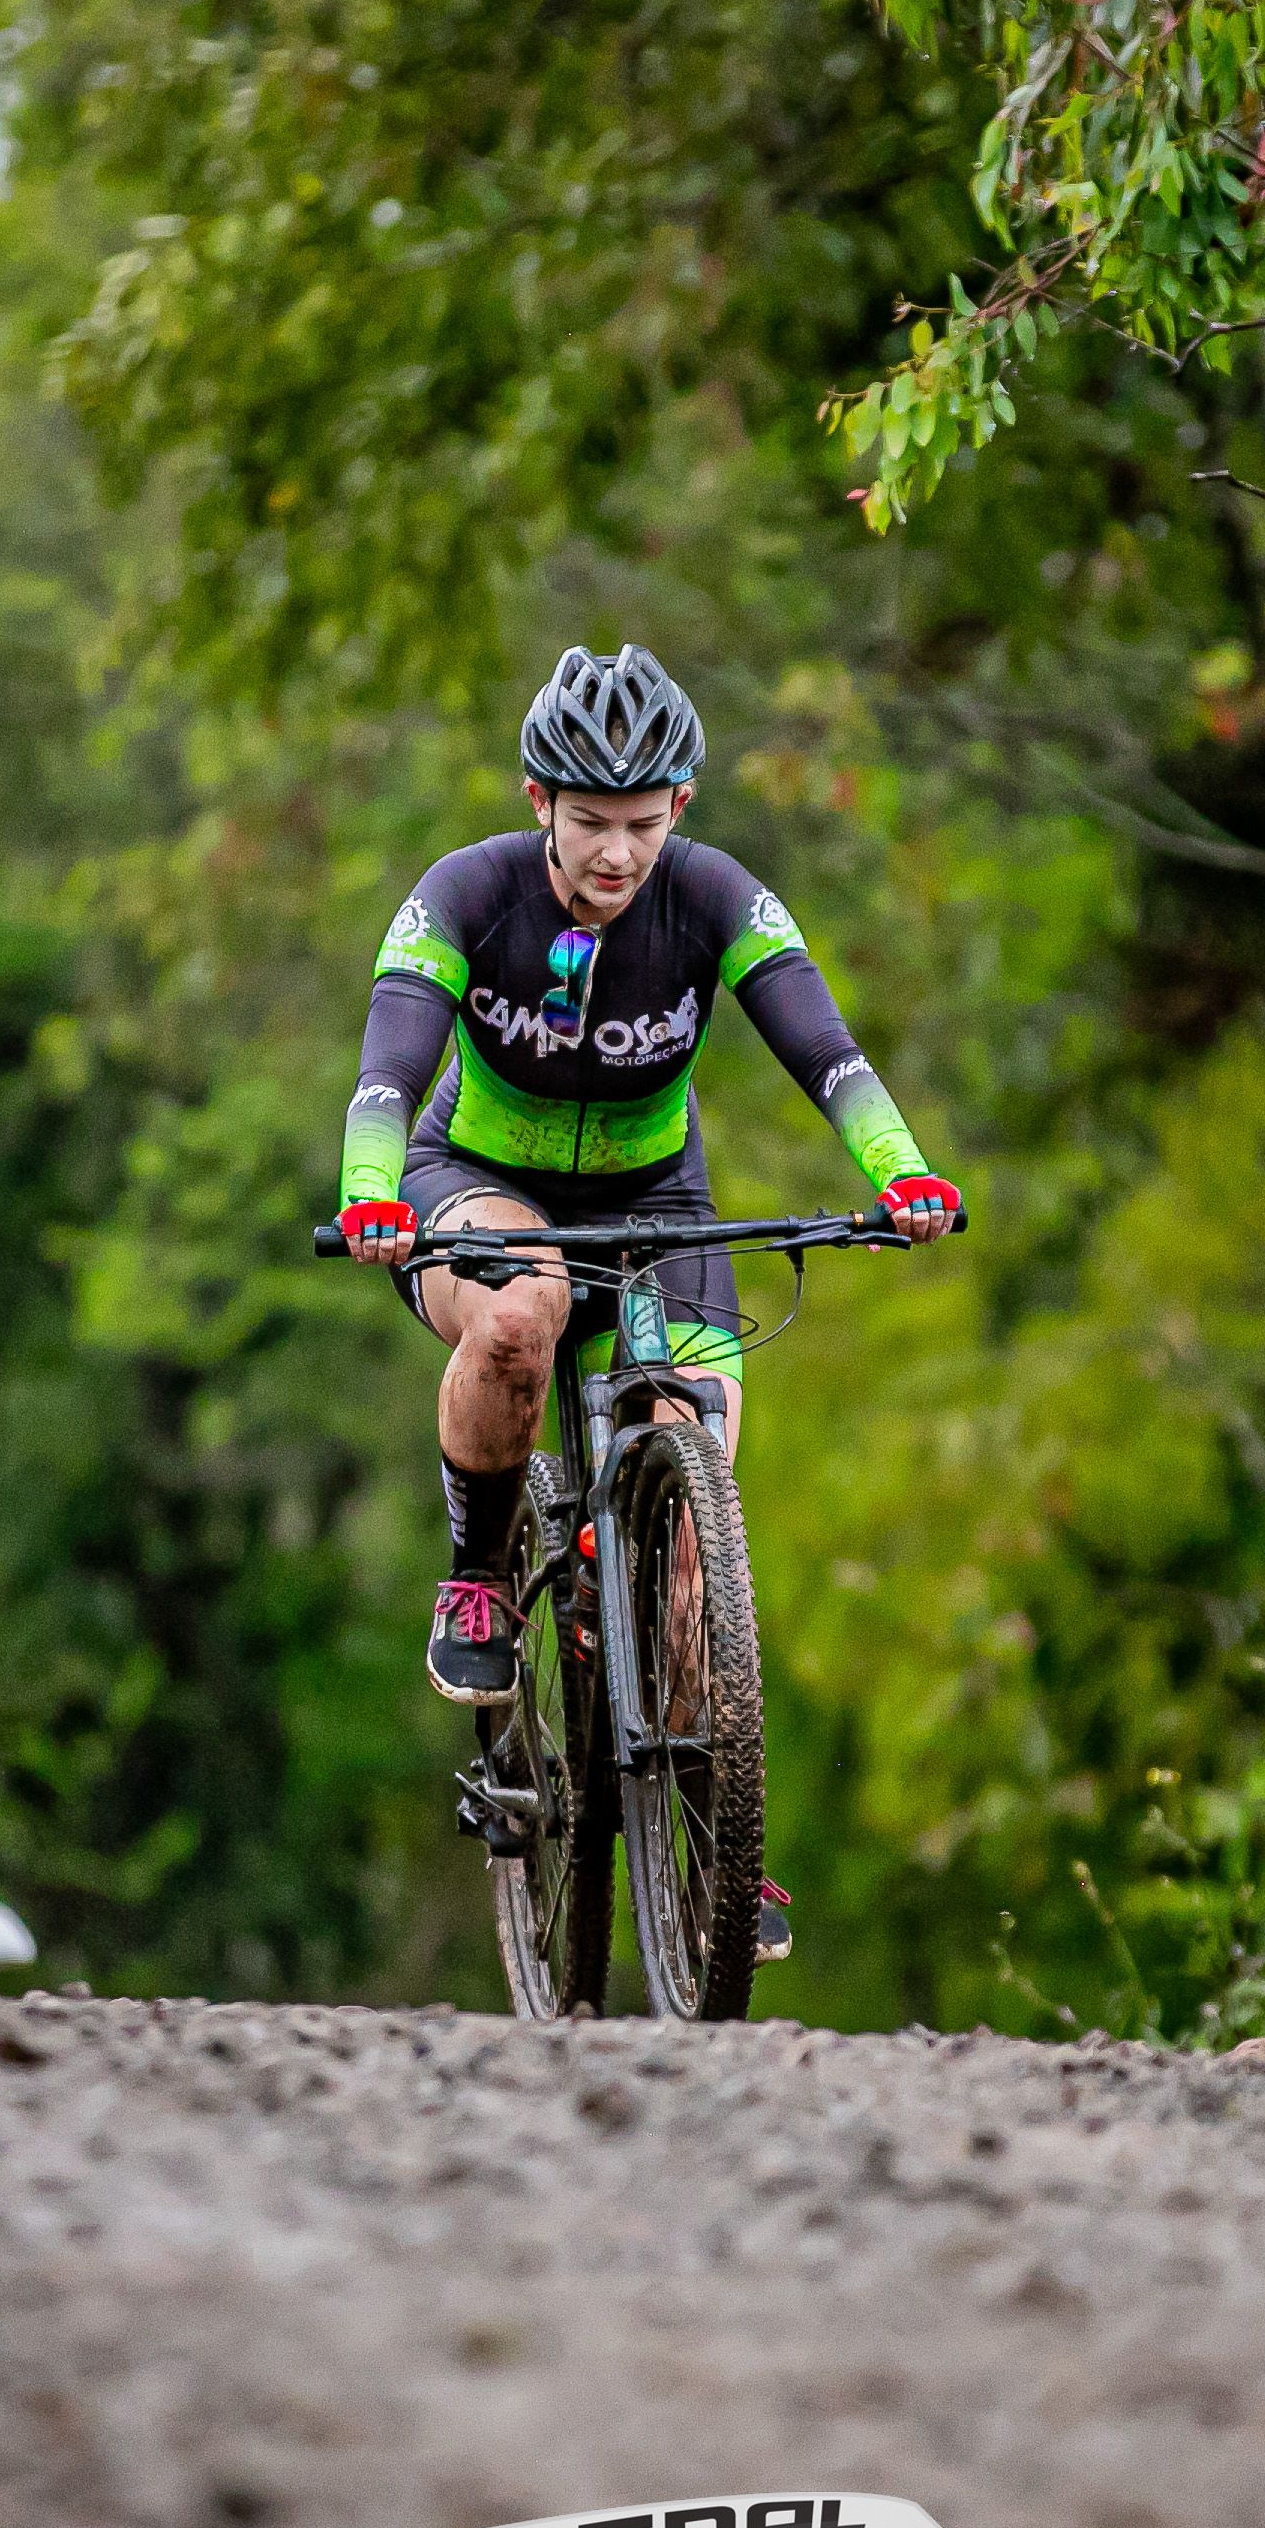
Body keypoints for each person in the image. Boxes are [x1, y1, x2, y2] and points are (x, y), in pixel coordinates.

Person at [335, 645, 960, 1958]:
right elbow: (388, 1073)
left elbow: (828, 1052)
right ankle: (479, 1581)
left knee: (694, 1521)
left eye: (642, 823)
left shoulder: (719, 896)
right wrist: (372, 1193)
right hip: (475, 1180)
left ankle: (715, 1823)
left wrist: (900, 1173)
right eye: (589, 824)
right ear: (538, 803)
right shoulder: (465, 895)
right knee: (524, 1314)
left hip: (658, 1198)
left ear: (679, 806)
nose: (616, 855)